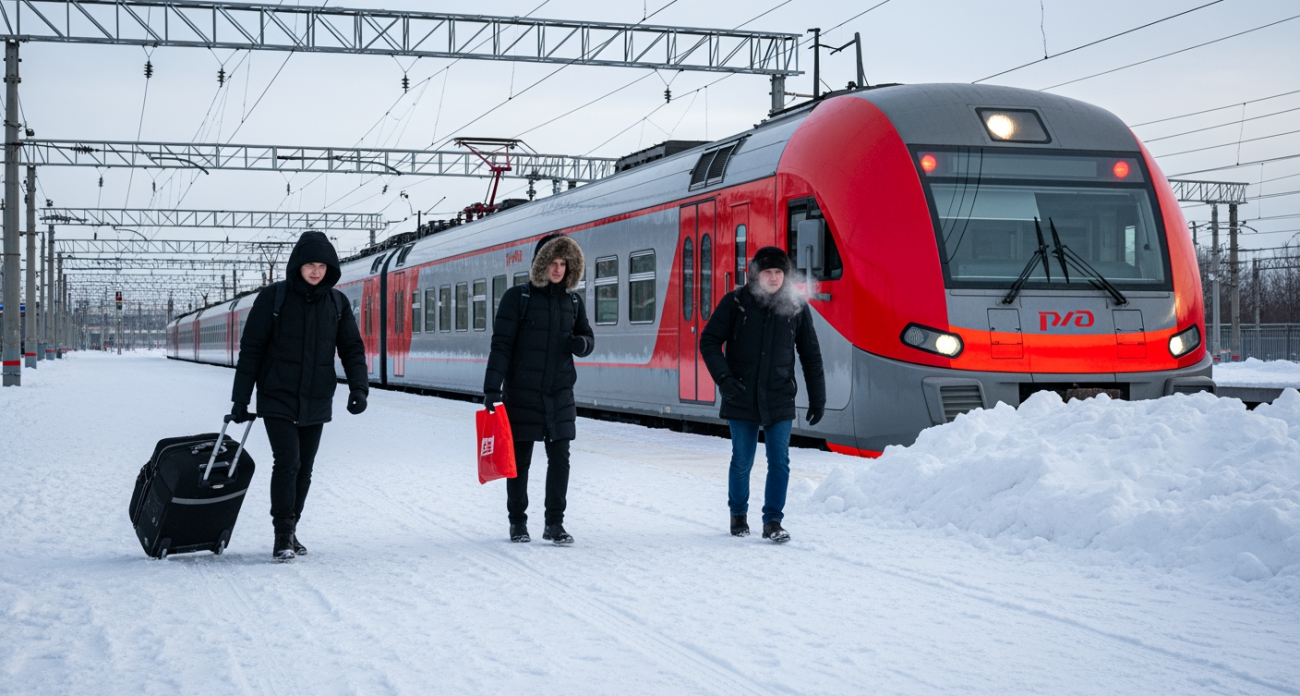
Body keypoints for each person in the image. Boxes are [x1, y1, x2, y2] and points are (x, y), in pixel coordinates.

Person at [229, 230, 368, 562]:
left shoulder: (336, 303)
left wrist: (359, 387)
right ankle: (282, 535)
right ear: (298, 266)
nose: (316, 271)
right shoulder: (273, 298)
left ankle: (292, 530)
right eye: (310, 265)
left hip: (316, 397)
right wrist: (240, 399)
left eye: (322, 266)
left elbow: (352, 348)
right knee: (287, 462)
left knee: (305, 468)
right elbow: (251, 350)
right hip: (277, 396)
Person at [699, 246, 826, 543]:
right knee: (742, 460)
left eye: (778, 272)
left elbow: (810, 354)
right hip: (741, 393)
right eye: (767, 272)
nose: (773, 277)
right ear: (756, 274)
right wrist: (724, 379)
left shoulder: (795, 306)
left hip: (779, 395)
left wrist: (818, 398)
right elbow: (709, 341)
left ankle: (773, 521)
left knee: (779, 461)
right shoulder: (736, 302)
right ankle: (738, 515)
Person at [483, 233, 594, 546]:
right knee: (520, 461)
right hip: (522, 393)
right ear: (540, 264)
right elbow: (501, 345)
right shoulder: (517, 298)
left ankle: (554, 524)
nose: (558, 269)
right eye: (552, 262)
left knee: (560, 459)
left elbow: (588, 337)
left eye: (563, 263)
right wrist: (492, 388)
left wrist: (581, 344)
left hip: (560, 393)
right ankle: (518, 522)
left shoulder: (573, 302)